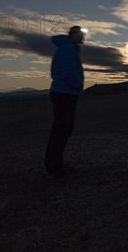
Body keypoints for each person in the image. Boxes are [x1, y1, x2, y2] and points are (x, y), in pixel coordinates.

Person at [45, 25, 87, 178]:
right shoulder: (68, 49)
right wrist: (77, 86)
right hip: (65, 93)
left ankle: (54, 166)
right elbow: (69, 72)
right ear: (73, 35)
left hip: (63, 92)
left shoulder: (66, 48)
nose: (83, 37)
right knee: (61, 131)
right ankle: (54, 168)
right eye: (81, 34)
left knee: (61, 130)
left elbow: (56, 72)